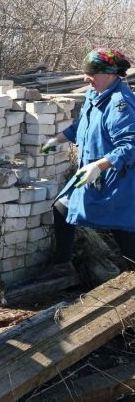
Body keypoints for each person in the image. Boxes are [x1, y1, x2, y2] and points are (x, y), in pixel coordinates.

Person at [39, 48, 135, 277]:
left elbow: (130, 145)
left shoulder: (120, 104)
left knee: (121, 227)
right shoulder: (94, 96)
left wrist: (98, 166)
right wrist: (56, 140)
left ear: (110, 74)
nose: (85, 77)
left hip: (115, 177)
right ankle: (62, 264)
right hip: (91, 172)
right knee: (62, 208)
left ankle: (132, 272)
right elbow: (80, 127)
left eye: (91, 72)